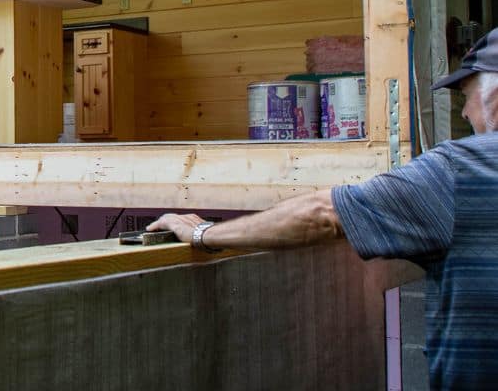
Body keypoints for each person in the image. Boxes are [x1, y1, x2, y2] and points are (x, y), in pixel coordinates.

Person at [148, 27, 498, 391]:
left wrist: (204, 233)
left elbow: (324, 214)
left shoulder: (461, 170)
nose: (466, 114)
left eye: (465, 96)